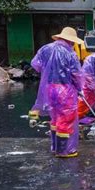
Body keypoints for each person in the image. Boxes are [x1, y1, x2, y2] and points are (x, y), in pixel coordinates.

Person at [31, 27, 84, 158]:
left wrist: (47, 70)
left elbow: (35, 64)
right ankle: (64, 151)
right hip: (65, 90)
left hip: (49, 88)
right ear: (70, 40)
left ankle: (55, 147)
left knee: (54, 117)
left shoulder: (45, 49)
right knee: (66, 119)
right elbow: (76, 74)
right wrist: (80, 88)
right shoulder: (70, 53)